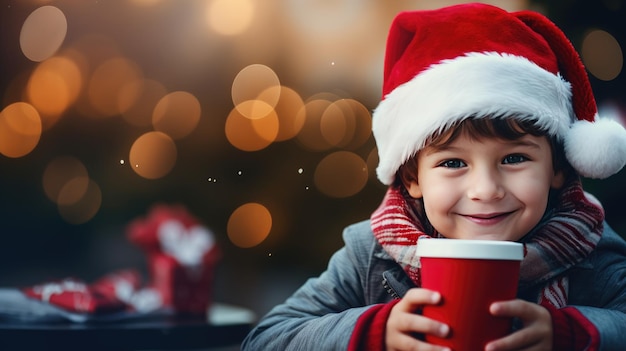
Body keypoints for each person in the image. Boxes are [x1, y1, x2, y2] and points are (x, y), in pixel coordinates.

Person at [241, 3, 626, 350]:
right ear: (413, 178)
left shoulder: (590, 249)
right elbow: (269, 337)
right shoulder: (371, 255)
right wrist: (375, 330)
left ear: (558, 169)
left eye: (514, 158)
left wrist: (574, 332)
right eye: (454, 163)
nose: (485, 190)